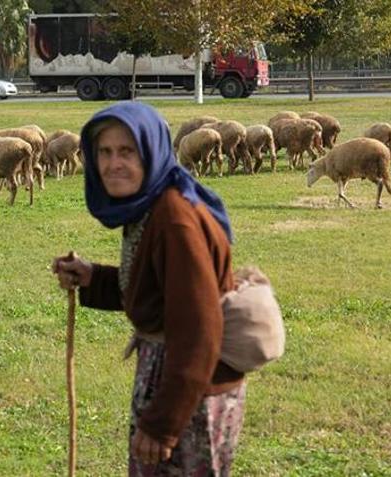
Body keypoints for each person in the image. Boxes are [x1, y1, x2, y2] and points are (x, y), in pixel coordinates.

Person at [52, 102, 245, 476]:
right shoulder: (151, 208)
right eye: (104, 152)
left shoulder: (175, 221)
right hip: (175, 380)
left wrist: (163, 423)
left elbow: (199, 332)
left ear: (151, 152)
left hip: (192, 392)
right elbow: (158, 293)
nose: (113, 164)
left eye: (127, 151)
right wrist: (93, 277)